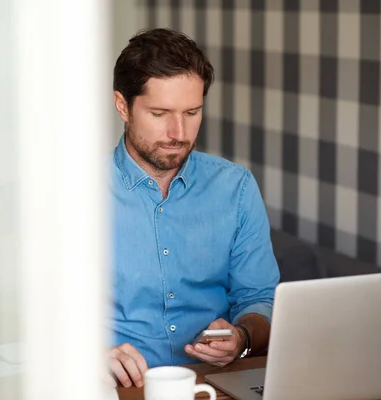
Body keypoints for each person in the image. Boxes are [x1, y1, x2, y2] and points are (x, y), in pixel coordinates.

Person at [108, 28, 280, 388]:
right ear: (123, 106)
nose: (179, 132)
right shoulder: (74, 196)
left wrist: (243, 338)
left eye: (192, 112)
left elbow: (259, 299)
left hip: (215, 386)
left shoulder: (236, 187)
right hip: (117, 390)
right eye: (159, 113)